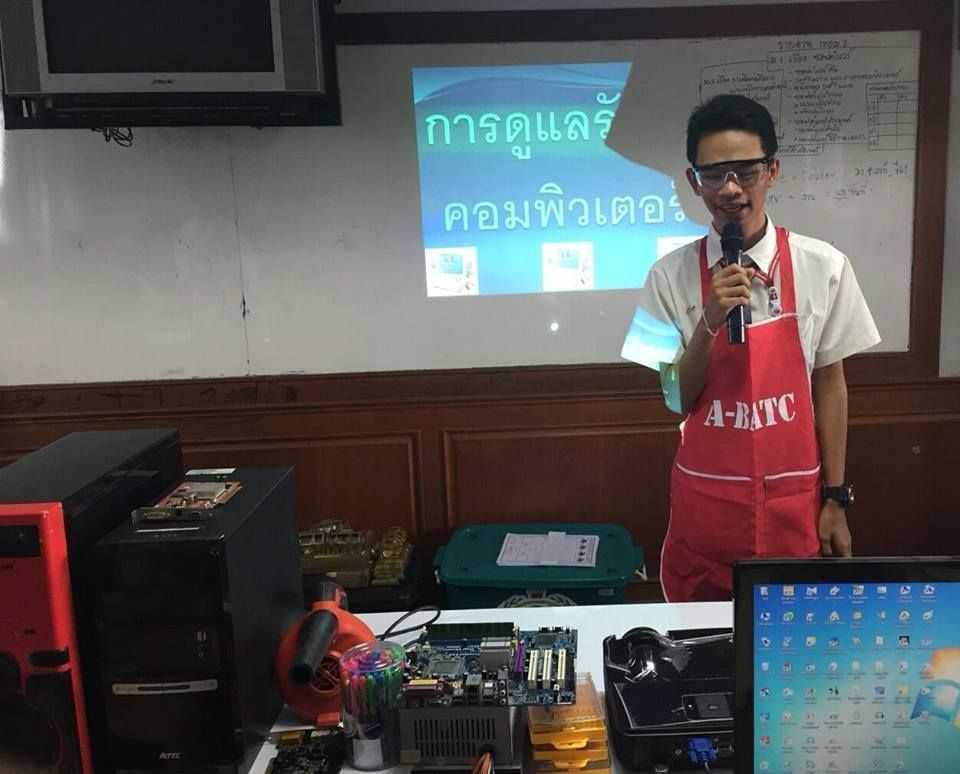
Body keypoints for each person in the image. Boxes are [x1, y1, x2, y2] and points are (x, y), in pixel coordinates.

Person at [635, 94, 880, 602]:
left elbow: (830, 385)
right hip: (706, 517)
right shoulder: (666, 277)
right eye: (713, 175)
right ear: (693, 182)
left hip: (794, 509)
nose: (730, 189)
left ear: (772, 171)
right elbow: (675, 399)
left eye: (745, 172)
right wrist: (708, 321)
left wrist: (836, 498)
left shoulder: (824, 266)